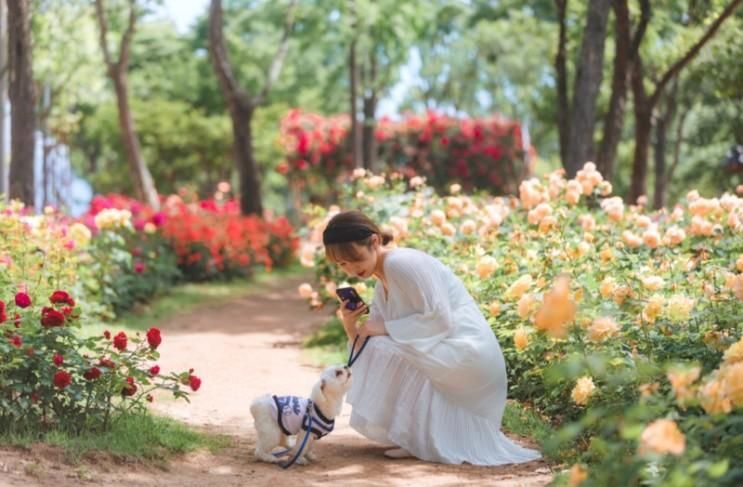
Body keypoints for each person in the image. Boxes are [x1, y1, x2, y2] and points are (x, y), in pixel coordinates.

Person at [323, 210, 542, 465]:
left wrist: (384, 327)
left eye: (353, 258)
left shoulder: (401, 264)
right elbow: (364, 347)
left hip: (467, 352)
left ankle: (421, 437)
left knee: (387, 346)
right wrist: (350, 322)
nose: (351, 269)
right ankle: (416, 436)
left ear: (374, 242)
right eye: (342, 264)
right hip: (444, 349)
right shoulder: (381, 282)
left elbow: (441, 320)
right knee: (380, 346)